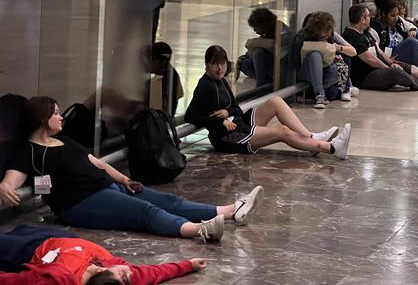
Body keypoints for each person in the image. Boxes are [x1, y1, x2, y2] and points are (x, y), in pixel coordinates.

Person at [0, 97, 263, 242]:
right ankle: (201, 230)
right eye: (55, 113)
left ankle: (231, 211)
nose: (60, 117)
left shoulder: (63, 140)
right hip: (81, 202)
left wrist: (125, 179)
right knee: (146, 212)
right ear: (41, 119)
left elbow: (97, 163)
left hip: (105, 186)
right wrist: (3, 187)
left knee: (167, 200)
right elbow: (11, 182)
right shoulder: (29, 151)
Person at [186, 46, 351, 158]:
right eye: (215, 64)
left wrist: (228, 113)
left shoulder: (221, 81)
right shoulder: (204, 86)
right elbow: (190, 116)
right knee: (282, 131)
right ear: (207, 64)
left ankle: (312, 136)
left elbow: (236, 109)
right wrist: (219, 120)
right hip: (227, 137)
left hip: (238, 123)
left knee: (276, 101)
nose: (220, 68)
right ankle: (332, 148)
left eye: (222, 63)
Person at [0, 225, 207, 284]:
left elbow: (14, 281)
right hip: (61, 237)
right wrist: (188, 265)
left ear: (101, 270)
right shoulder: (122, 276)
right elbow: (154, 272)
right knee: (19, 228)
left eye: (123, 277)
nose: (129, 272)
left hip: (32, 249)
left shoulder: (61, 277)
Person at [296, 11, 358, 108]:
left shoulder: (332, 34)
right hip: (308, 72)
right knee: (315, 55)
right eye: (325, 31)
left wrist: (338, 49)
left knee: (343, 61)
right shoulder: (301, 37)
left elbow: (353, 52)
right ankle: (319, 94)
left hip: (326, 71)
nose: (328, 33)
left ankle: (344, 89)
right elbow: (294, 63)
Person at [372, 0, 418, 74]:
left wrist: (412, 30)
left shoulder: (398, 21)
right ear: (383, 14)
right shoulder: (376, 27)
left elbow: (410, 25)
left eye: (397, 15)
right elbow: (375, 50)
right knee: (411, 42)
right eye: (392, 15)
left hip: (403, 51)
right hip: (391, 57)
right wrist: (388, 60)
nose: (396, 18)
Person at [235, 8, 293, 87]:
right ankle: (264, 80)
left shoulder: (282, 32)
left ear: (264, 24)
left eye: (256, 26)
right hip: (270, 68)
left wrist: (256, 43)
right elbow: (249, 55)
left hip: (281, 70)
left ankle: (260, 86)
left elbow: (281, 54)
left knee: (259, 53)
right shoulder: (268, 32)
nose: (255, 30)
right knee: (244, 63)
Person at [142, 42, 183, 118]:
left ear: (162, 62)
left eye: (149, 60)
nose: (146, 64)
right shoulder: (172, 75)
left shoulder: (161, 81)